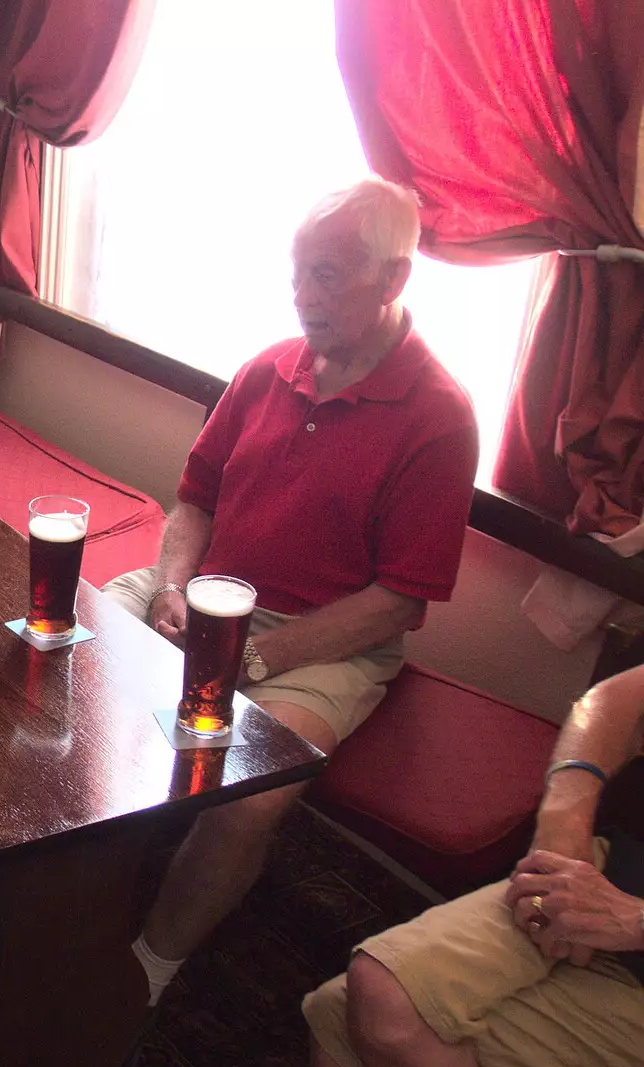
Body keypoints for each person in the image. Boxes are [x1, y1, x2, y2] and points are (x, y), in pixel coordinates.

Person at [100, 178, 479, 1018]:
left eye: (329, 277)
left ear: (393, 279)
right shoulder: (268, 367)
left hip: (325, 641)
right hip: (202, 596)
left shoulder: (439, 416)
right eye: (299, 273)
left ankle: (144, 974)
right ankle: (31, 881)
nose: (305, 298)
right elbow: (193, 501)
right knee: (59, 655)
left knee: (254, 793)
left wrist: (258, 656)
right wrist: (170, 589)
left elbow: (400, 602)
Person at [304, 664, 644, 1067]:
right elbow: (618, 698)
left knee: (348, 1020)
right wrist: (563, 825)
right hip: (615, 876)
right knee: (371, 995)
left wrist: (636, 922)